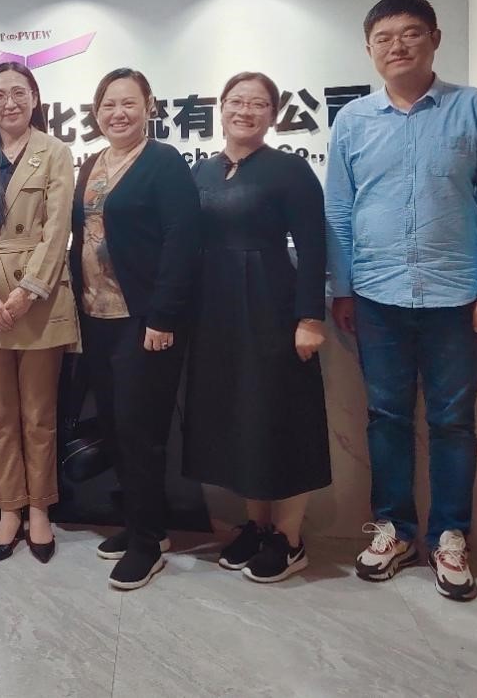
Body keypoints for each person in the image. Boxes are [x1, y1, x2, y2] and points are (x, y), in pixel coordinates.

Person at [326, 0, 477, 602]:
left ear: (434, 39)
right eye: (384, 38)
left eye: (411, 34)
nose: (398, 46)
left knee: (453, 422)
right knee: (385, 417)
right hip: (376, 296)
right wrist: (341, 288)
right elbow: (338, 212)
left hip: (456, 297)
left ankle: (450, 536)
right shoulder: (353, 120)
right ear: (369, 49)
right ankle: (395, 529)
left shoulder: (474, 108)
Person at [183, 71, 332, 583]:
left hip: (273, 306)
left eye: (258, 103)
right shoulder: (201, 172)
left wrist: (310, 317)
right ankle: (258, 525)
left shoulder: (290, 170)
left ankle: (289, 539)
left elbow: (313, 246)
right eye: (236, 101)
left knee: (281, 417)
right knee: (241, 419)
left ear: (273, 114)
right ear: (220, 108)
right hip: (215, 311)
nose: (245, 111)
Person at [70, 67, 201, 590]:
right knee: (115, 427)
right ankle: (144, 524)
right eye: (108, 105)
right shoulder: (92, 163)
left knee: (141, 431)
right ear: (96, 112)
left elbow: (182, 241)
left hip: (144, 320)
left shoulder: (163, 162)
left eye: (128, 103)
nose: (118, 113)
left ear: (149, 106)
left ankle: (148, 544)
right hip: (96, 316)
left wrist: (163, 316)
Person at [0, 62, 78, 565]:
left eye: (18, 93)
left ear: (34, 98)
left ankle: (40, 508)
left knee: (39, 415)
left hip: (39, 301)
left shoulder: (55, 152)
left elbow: (57, 229)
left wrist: (28, 291)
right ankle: (8, 508)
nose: (9, 102)